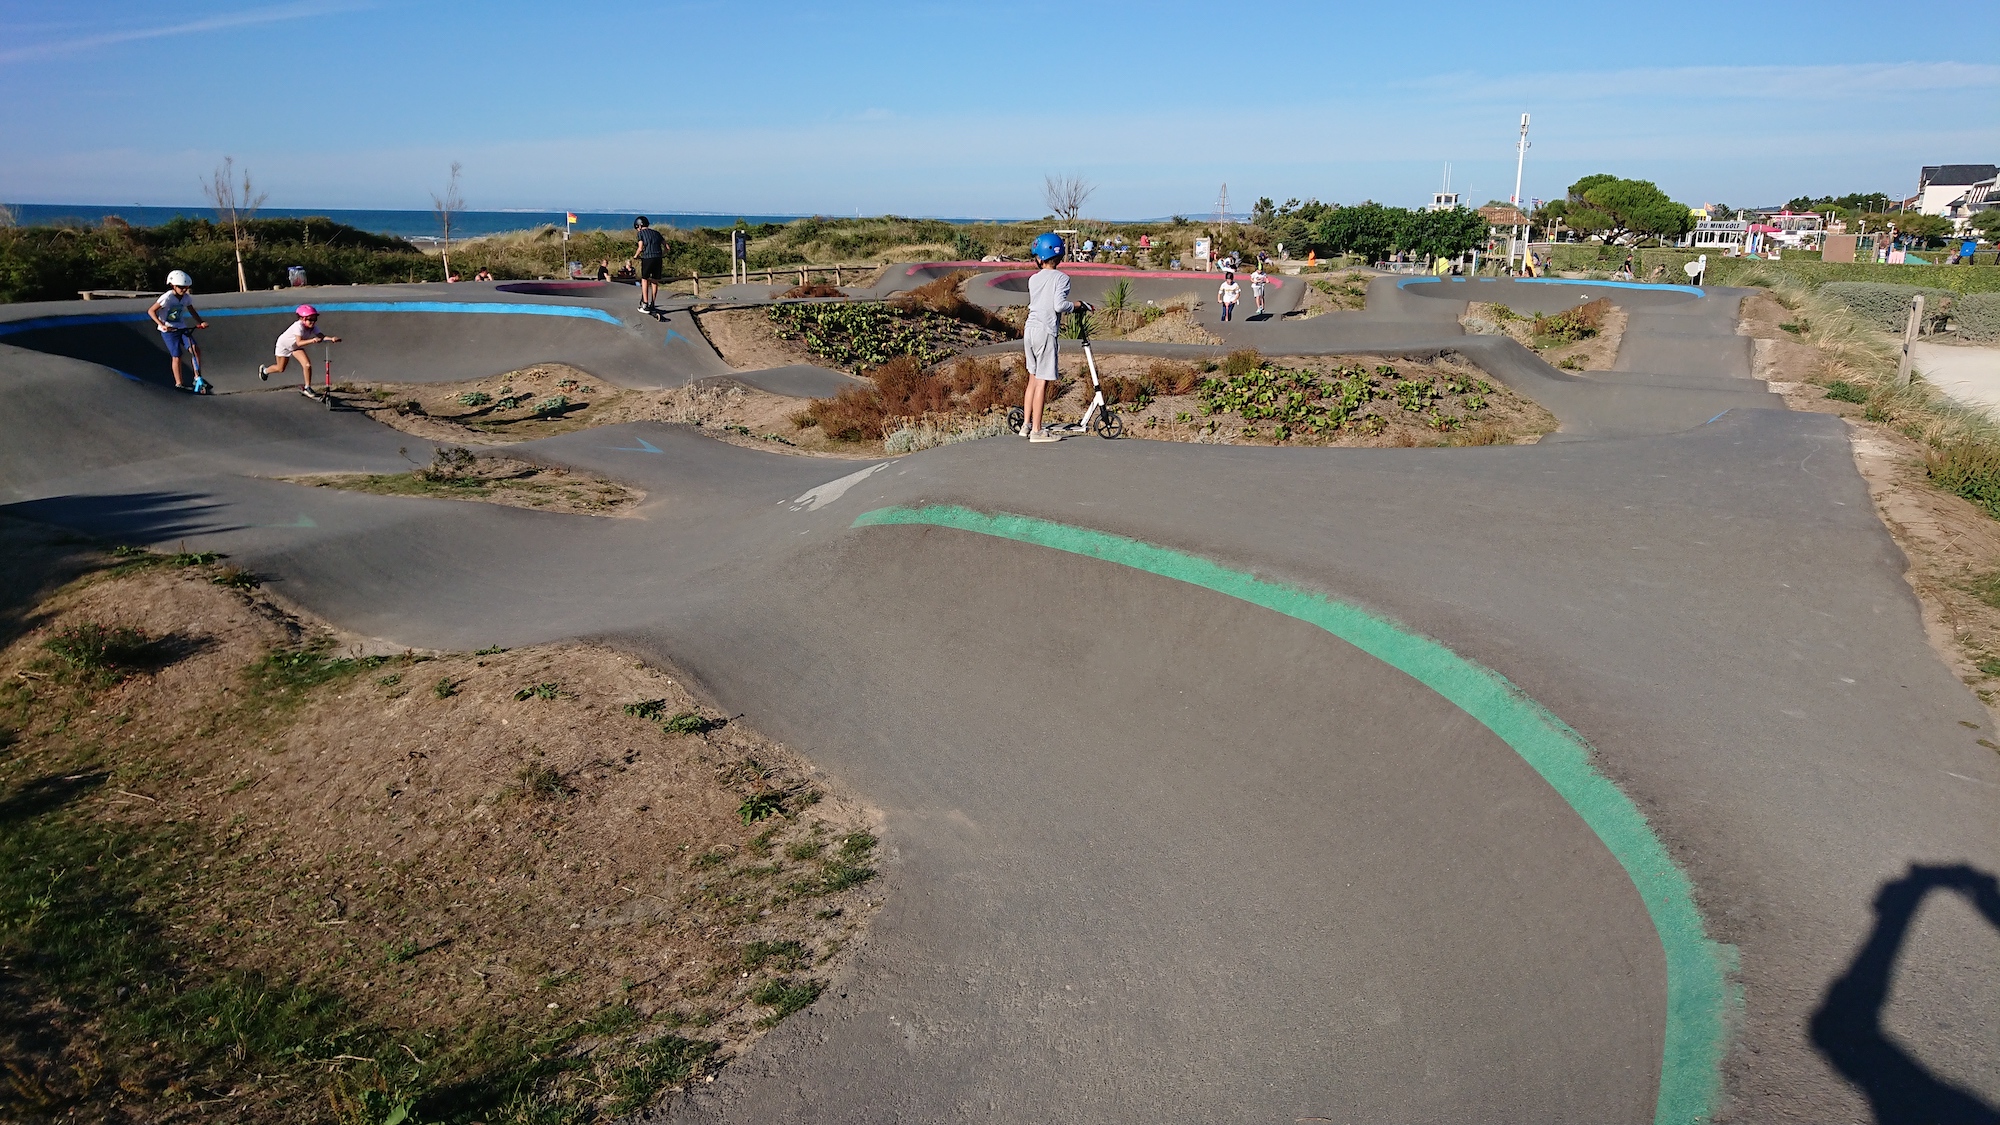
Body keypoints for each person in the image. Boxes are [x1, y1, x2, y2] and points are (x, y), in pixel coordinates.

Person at [1021, 232, 1089, 443]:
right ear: (1060, 256)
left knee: (1032, 378)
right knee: (1042, 381)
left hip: (1029, 329)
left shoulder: (1033, 279)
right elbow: (1059, 305)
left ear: (1039, 257)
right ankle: (1037, 431)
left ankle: (1026, 425)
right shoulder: (1062, 278)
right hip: (1045, 331)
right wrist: (1077, 305)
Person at [257, 304, 340, 394]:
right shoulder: (298, 326)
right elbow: (299, 342)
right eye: (310, 319)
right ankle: (265, 371)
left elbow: (321, 336)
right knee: (280, 368)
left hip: (295, 348)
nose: (313, 322)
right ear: (302, 319)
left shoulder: (313, 327)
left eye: (315, 319)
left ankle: (307, 387)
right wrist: (312, 340)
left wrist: (331, 339)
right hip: (283, 346)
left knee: (307, 365)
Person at [147, 270, 208, 391]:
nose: (184, 290)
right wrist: (161, 324)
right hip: (169, 331)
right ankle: (179, 383)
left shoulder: (186, 297)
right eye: (181, 287)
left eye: (186, 287)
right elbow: (151, 311)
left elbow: (192, 310)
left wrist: (200, 322)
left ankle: (197, 377)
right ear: (173, 285)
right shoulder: (167, 297)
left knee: (195, 349)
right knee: (177, 356)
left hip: (182, 328)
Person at [631, 215, 667, 312]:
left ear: (639, 226)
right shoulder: (657, 233)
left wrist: (635, 256)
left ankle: (645, 304)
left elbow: (640, 248)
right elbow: (667, 247)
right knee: (655, 281)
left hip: (647, 257)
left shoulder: (641, 233)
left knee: (645, 279)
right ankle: (653, 303)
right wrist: (661, 254)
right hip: (658, 258)